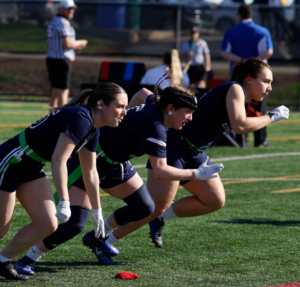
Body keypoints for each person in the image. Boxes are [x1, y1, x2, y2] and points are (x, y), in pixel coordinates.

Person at [15, 76, 224, 272]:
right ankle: (29, 258)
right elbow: (160, 172)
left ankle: (98, 238)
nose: (190, 117)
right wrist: (197, 173)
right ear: (170, 108)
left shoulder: (157, 105)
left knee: (146, 207)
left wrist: (125, 117)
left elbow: (143, 93)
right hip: (91, 161)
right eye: (187, 111)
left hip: (116, 163)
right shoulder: (155, 126)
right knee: (75, 222)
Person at [89, 58, 288, 254]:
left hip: (194, 149)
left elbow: (143, 94)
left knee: (214, 199)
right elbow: (240, 125)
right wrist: (271, 117)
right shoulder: (236, 88)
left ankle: (161, 218)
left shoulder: (239, 93)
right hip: (175, 144)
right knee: (153, 207)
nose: (269, 87)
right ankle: (104, 239)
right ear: (249, 79)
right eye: (266, 81)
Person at [0, 82, 127, 280]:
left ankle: (2, 260)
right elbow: (60, 159)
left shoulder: (94, 128)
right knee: (1, 226)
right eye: (120, 106)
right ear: (101, 104)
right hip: (13, 160)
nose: (124, 112)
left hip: (32, 165)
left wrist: (97, 211)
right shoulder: (81, 117)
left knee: (47, 224)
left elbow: (91, 172)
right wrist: (65, 202)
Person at [221, 4, 273, 148]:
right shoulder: (262, 31)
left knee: (237, 107)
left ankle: (239, 140)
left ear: (239, 16)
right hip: (258, 77)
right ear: (252, 15)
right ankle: (260, 140)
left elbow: (224, 52)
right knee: (259, 109)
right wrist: (253, 61)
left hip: (238, 76)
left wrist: (241, 61)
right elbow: (268, 51)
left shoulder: (231, 32)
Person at [46, 0, 88, 112]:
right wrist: (81, 42)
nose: (72, 11)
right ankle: (61, 119)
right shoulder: (63, 23)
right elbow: (67, 44)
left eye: (72, 8)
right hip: (61, 60)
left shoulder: (54, 21)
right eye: (69, 8)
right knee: (63, 91)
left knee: (55, 91)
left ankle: (51, 118)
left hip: (52, 58)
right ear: (61, 9)